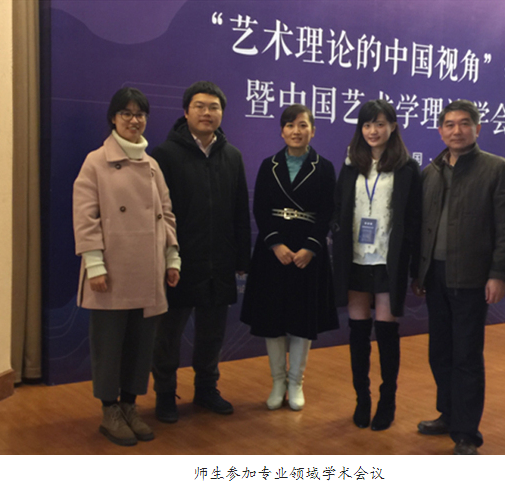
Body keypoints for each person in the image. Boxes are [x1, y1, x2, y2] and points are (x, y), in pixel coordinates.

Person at [73, 87, 181, 446]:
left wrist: (172, 258)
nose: (134, 120)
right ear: (113, 118)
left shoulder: (152, 165)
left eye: (140, 114)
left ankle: (130, 405)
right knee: (109, 345)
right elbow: (85, 218)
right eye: (127, 113)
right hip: (112, 270)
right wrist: (94, 265)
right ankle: (110, 410)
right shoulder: (95, 162)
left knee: (140, 344)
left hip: (148, 269)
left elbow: (166, 214)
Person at [412, 100, 505, 455]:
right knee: (440, 352)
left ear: (477, 128)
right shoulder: (430, 172)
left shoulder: (496, 168)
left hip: (472, 278)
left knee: (467, 356)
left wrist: (498, 274)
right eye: (449, 124)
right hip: (436, 275)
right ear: (440, 130)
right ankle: (448, 415)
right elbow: (421, 229)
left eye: (463, 123)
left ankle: (467, 433)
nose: (456, 130)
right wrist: (419, 273)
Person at [151, 81, 251, 422]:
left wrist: (241, 257)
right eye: (200, 106)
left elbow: (240, 210)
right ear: (186, 112)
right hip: (178, 260)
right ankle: (165, 394)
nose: (207, 113)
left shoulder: (232, 156)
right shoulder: (164, 155)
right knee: (167, 334)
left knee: (212, 333)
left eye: (214, 107)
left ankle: (207, 388)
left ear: (222, 113)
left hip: (219, 259)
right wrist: (165, 256)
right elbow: (157, 214)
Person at [241, 104, 339, 411]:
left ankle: (296, 382)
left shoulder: (324, 167)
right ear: (282, 131)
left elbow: (328, 211)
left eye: (302, 125)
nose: (296, 131)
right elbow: (260, 209)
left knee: (301, 319)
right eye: (290, 125)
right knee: (272, 319)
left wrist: (310, 247)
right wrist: (276, 244)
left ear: (313, 130)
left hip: (308, 253)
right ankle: (278, 382)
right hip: (274, 252)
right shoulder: (268, 165)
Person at [332, 99, 421, 431]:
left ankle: (387, 401)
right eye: (367, 125)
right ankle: (362, 398)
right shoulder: (351, 165)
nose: (373, 131)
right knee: (358, 333)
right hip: (356, 258)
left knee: (386, 334)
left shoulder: (407, 168)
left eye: (380, 124)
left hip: (387, 260)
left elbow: (414, 219)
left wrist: (414, 267)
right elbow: (338, 207)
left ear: (393, 127)